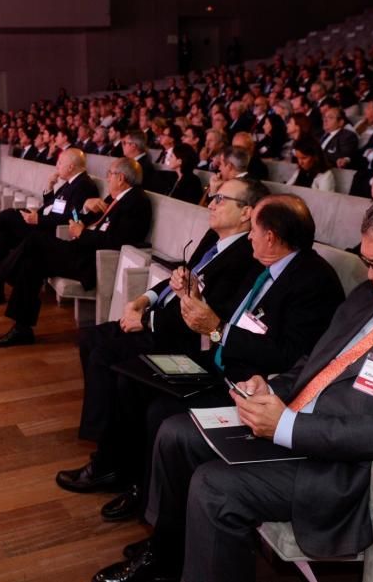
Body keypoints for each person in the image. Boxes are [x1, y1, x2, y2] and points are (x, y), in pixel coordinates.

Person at [93, 193, 373, 582]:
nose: (370, 275)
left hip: (342, 466)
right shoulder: (371, 294)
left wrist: (287, 427)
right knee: (175, 433)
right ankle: (166, 557)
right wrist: (272, 386)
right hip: (291, 421)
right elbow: (315, 363)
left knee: (215, 487)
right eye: (366, 262)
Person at [55, 177, 266, 503]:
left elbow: (206, 320)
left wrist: (147, 319)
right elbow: (179, 275)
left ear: (246, 213)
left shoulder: (245, 257)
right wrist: (145, 300)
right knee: (90, 339)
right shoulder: (213, 237)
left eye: (221, 199)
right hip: (158, 317)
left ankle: (107, 460)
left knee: (108, 358)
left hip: (180, 339)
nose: (210, 203)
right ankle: (105, 444)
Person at [0, 158, 152, 347]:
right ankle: (22, 329)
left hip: (93, 262)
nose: (107, 178)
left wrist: (82, 234)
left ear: (121, 178)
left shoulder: (136, 202)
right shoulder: (114, 198)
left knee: (35, 240)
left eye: (109, 174)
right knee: (31, 261)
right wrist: (85, 208)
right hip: (80, 249)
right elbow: (88, 218)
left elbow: (118, 242)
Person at [0, 148, 98, 306]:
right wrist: (49, 189)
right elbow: (54, 207)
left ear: (71, 166)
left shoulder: (84, 185)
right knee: (2, 234)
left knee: (7, 215)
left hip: (50, 232)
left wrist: (39, 220)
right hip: (42, 222)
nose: (57, 166)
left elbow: (74, 218)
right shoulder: (70, 183)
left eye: (60, 162)